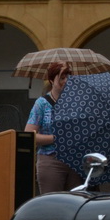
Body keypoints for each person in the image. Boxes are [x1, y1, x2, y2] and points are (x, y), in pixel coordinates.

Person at [25, 65, 81, 194]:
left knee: (76, 202)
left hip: (75, 161)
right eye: (61, 78)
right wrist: (56, 138)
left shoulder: (77, 102)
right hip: (50, 160)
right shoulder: (42, 103)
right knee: (52, 202)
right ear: (51, 80)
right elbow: (30, 135)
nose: (66, 81)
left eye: (68, 77)